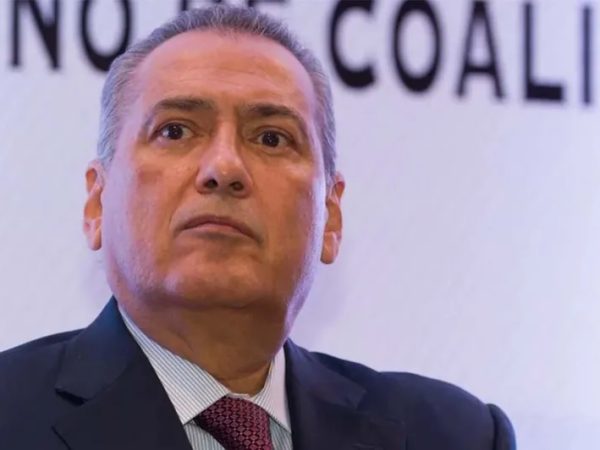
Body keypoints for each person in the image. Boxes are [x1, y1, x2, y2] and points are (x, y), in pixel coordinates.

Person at [0, 5, 516, 450]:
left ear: (331, 216)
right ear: (97, 201)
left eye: (271, 138)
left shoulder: (454, 435)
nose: (224, 167)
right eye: (175, 130)